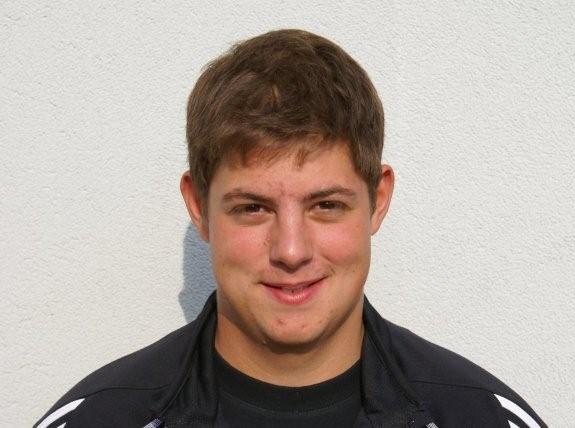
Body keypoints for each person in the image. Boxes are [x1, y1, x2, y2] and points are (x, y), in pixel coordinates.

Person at [35, 29, 546, 428]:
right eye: (253, 208)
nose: (291, 250)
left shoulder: (481, 418)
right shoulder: (96, 420)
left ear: (378, 200)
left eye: (326, 205)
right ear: (198, 206)